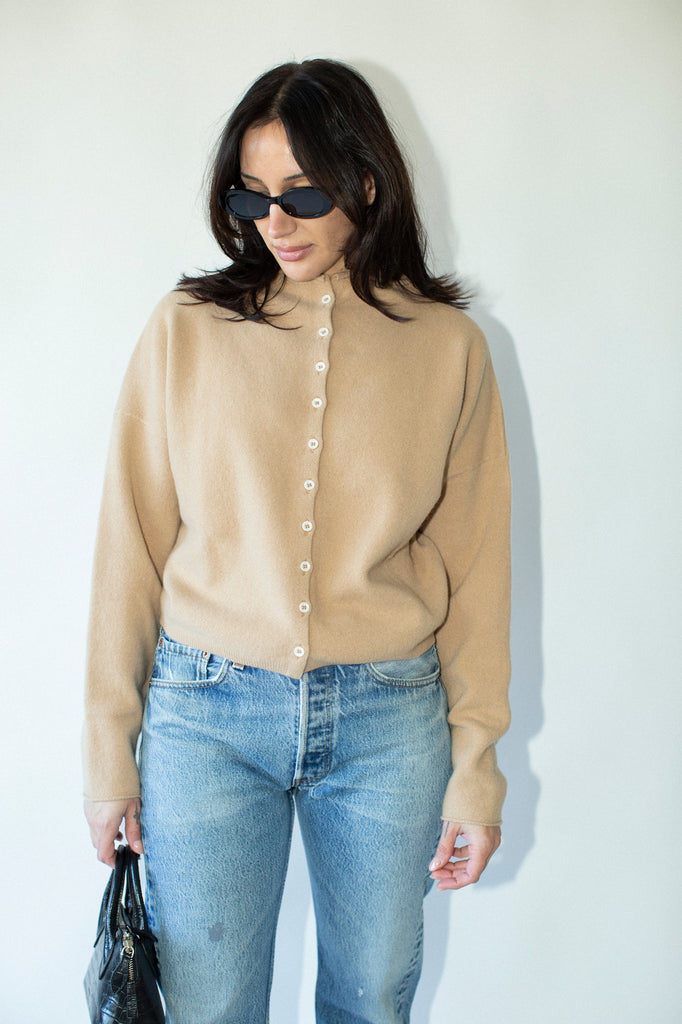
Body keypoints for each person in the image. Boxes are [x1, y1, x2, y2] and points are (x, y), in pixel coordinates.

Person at [83, 58, 511, 1024]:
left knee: (370, 1003)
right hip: (206, 716)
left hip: (389, 721)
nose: (273, 220)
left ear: (366, 183)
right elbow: (130, 548)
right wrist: (109, 752)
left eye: (303, 193)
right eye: (251, 195)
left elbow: (479, 570)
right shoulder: (185, 330)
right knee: (204, 1007)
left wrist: (476, 768)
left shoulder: (449, 347)